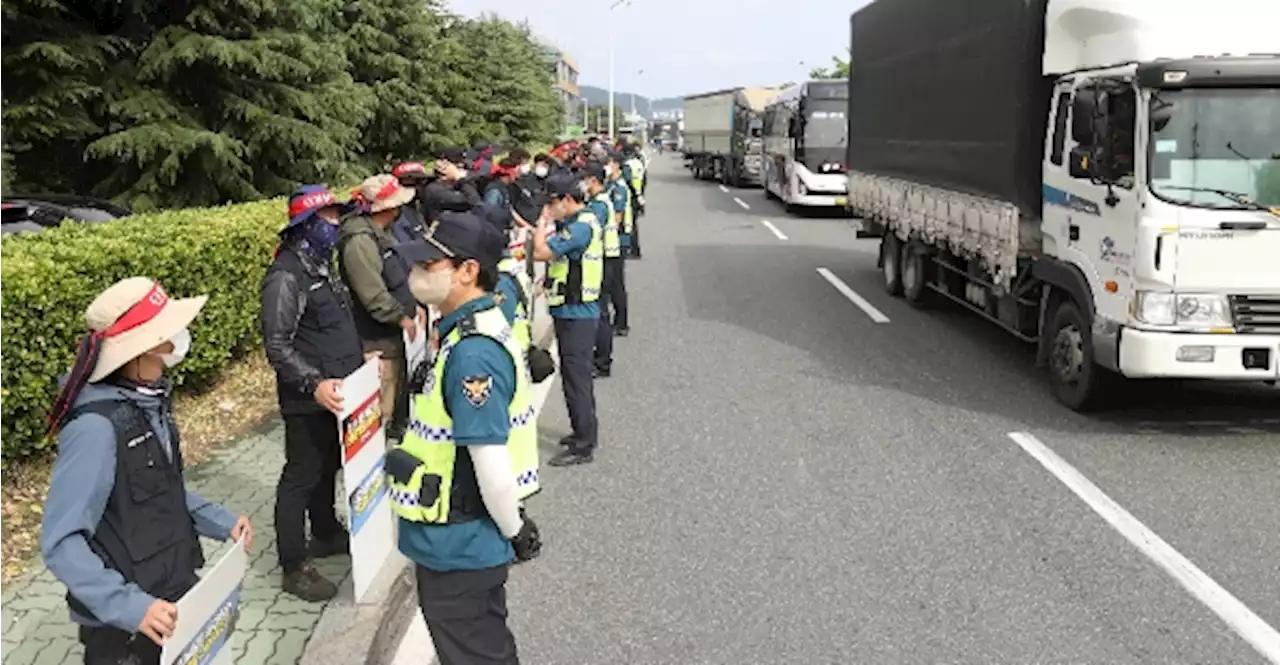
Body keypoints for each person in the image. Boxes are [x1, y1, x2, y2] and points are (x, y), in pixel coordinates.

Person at [40, 277, 253, 665]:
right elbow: (61, 541)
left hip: (171, 588)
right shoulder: (95, 428)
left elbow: (162, 486)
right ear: (139, 351)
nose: (174, 345)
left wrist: (222, 523)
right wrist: (130, 606)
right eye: (165, 338)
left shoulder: (149, 403)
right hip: (129, 629)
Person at [385, 211, 541, 665]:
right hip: (455, 538)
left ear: (468, 271)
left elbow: (488, 460)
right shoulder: (465, 332)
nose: (416, 274)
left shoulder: (473, 353)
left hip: (460, 543)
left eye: (430, 266)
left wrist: (516, 530)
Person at [261, 186, 367, 601]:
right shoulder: (286, 275)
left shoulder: (321, 266)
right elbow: (278, 344)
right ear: (306, 225)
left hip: (340, 393)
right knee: (300, 477)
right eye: (330, 219)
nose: (337, 225)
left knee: (329, 468)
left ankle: (324, 531)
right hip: (309, 399)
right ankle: (293, 565)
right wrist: (314, 383)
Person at [339, 174, 425, 441]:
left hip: (393, 338)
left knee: (395, 393)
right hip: (376, 339)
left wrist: (416, 305)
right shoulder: (360, 242)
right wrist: (401, 317)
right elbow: (373, 294)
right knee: (378, 409)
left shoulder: (381, 233)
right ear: (386, 208)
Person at [531, 174, 602, 467]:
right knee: (573, 378)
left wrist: (540, 223)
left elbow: (540, 252)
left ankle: (584, 444)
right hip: (568, 310)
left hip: (578, 314)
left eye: (552, 203)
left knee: (577, 380)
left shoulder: (581, 228)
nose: (549, 209)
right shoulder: (574, 224)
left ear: (567, 200)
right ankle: (580, 432)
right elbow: (564, 264)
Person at [582, 161, 620, 378]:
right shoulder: (600, 200)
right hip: (606, 258)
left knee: (601, 313)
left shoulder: (598, 205)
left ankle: (602, 361)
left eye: (585, 179)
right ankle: (601, 359)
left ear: (593, 180)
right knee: (601, 311)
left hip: (603, 260)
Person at [606, 153, 633, 337]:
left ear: (616, 165)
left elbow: (616, 218)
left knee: (616, 283)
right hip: (613, 241)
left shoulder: (619, 188)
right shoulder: (611, 185)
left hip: (618, 241)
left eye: (608, 163)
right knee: (611, 282)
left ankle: (622, 323)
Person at [421, 148, 482, 220]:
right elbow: (475, 202)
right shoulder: (435, 190)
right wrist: (458, 177)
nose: (464, 172)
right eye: (459, 168)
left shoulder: (455, 185)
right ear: (444, 168)